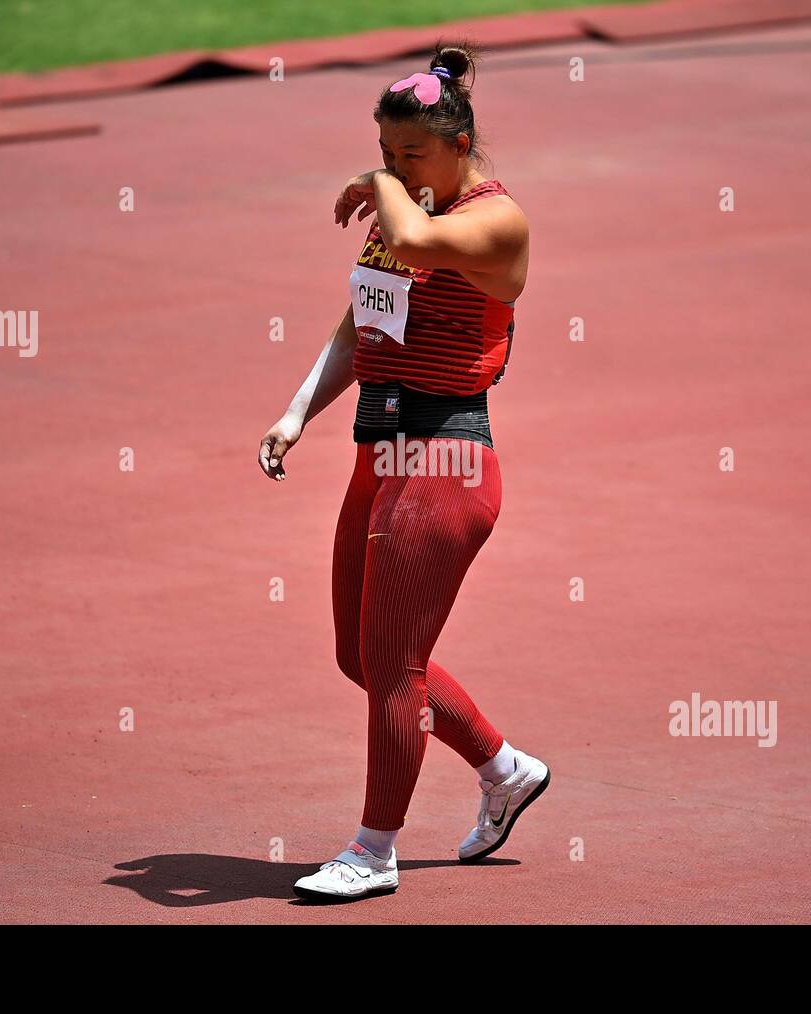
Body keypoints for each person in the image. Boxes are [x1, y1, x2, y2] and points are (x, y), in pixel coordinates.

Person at [258, 40, 550, 902]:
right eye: (387, 156)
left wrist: (377, 187)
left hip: (448, 458)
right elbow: (362, 326)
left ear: (461, 147)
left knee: (393, 666)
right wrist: (295, 412)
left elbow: (420, 234)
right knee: (364, 655)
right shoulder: (403, 213)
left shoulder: (497, 222)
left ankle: (373, 850)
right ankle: (505, 768)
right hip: (379, 450)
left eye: (413, 154)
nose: (397, 172)